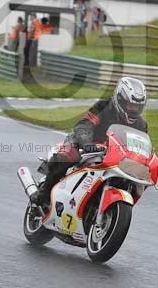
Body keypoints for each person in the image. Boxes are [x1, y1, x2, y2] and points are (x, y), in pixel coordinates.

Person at [30, 77, 148, 207]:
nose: (133, 110)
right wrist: (87, 143)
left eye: (137, 107)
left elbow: (141, 148)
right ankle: (44, 193)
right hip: (86, 144)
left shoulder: (141, 125)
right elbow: (84, 125)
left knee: (142, 174)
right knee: (67, 155)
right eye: (130, 105)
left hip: (114, 155)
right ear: (120, 99)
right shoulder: (103, 107)